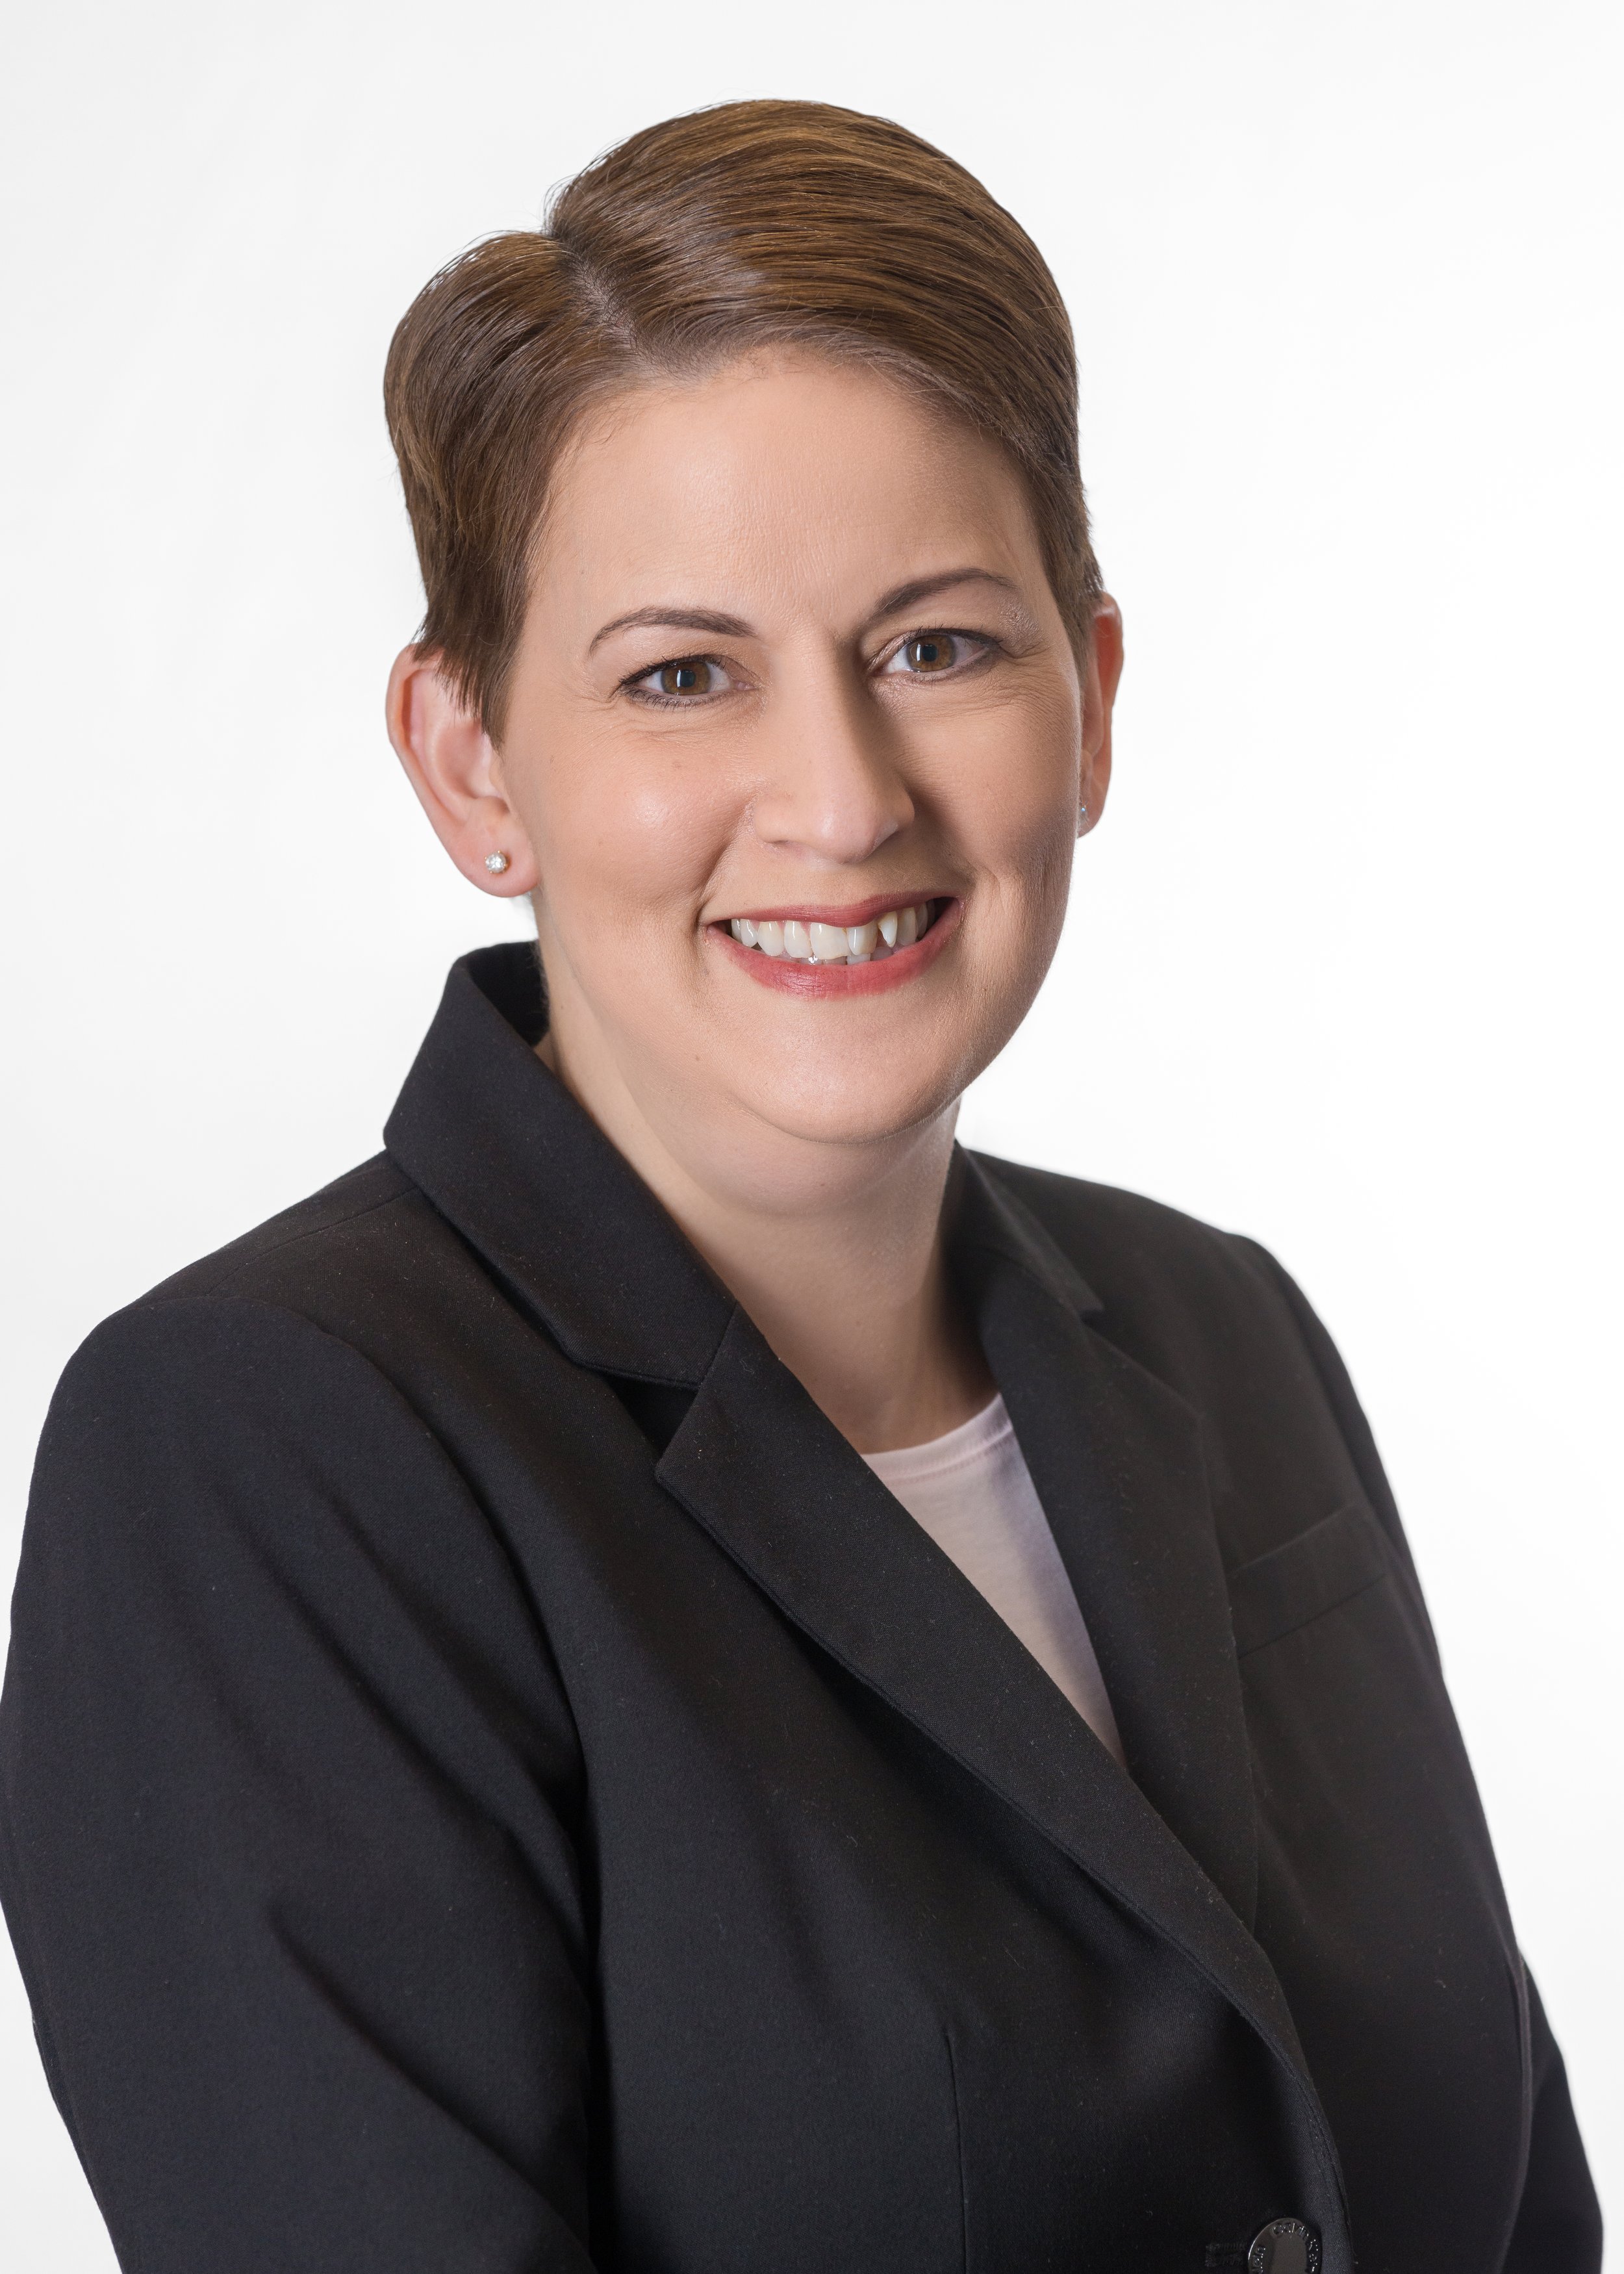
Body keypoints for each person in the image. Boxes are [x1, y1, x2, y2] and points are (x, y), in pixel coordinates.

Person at [0, 99, 1600, 2274]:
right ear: (472, 762)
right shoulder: (268, 1450)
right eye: (681, 676)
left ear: (1092, 695)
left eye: (938, 644)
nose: (840, 799)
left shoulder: (1224, 1330)